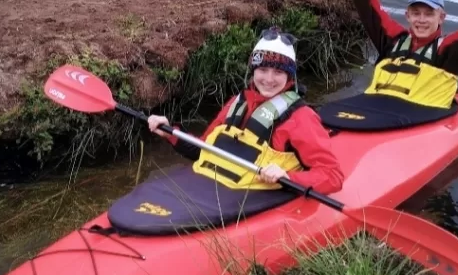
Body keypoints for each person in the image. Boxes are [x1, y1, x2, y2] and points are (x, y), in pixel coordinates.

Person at [147, 28, 344, 195]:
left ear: (289, 76)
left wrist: (287, 177)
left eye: (278, 72)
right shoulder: (237, 102)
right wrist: (170, 132)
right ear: (253, 70)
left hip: (257, 197)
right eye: (263, 69)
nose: (268, 79)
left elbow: (333, 176)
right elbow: (204, 151)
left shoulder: (301, 117)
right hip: (222, 190)